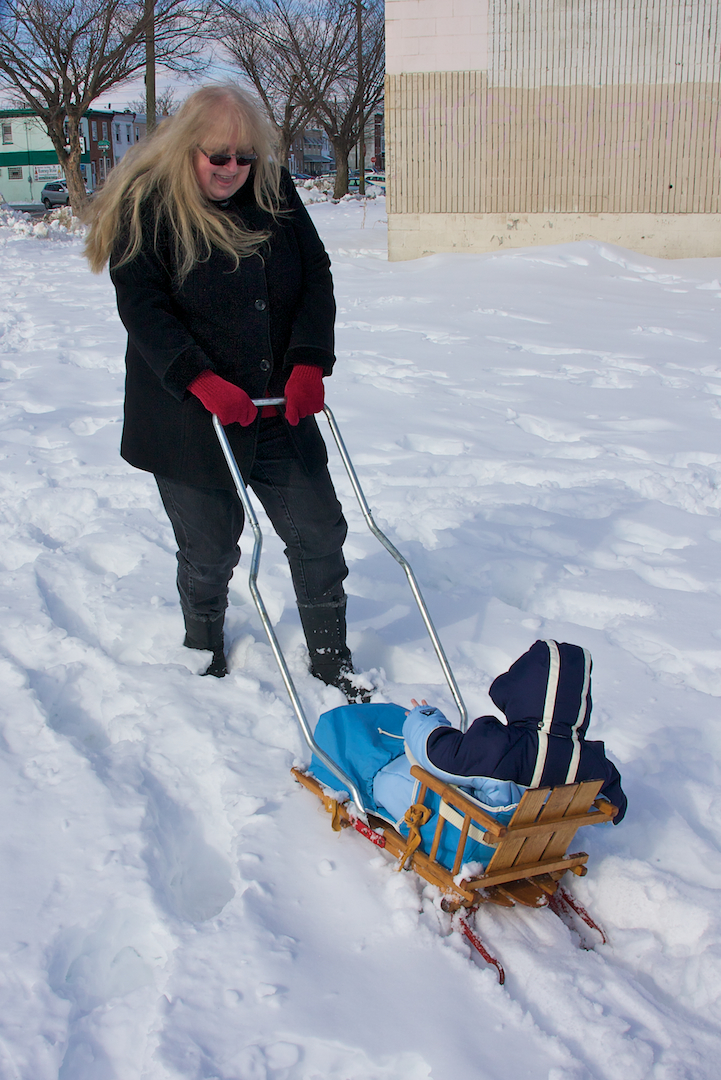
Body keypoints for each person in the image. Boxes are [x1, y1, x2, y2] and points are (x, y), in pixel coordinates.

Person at [84, 84, 368, 699]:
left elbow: (315, 275)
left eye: (245, 157)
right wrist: (200, 379)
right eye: (218, 156)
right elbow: (143, 306)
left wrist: (308, 361)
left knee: (319, 531)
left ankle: (331, 660)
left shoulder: (273, 191)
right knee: (210, 548)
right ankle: (203, 648)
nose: (232, 168)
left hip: (275, 404)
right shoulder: (148, 205)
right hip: (191, 417)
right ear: (188, 148)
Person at [373, 639, 627, 824]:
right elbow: (616, 801)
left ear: (522, 692)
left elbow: (437, 755)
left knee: (389, 780)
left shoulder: (501, 746)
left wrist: (424, 717)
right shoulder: (590, 760)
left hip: (483, 839)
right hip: (540, 844)